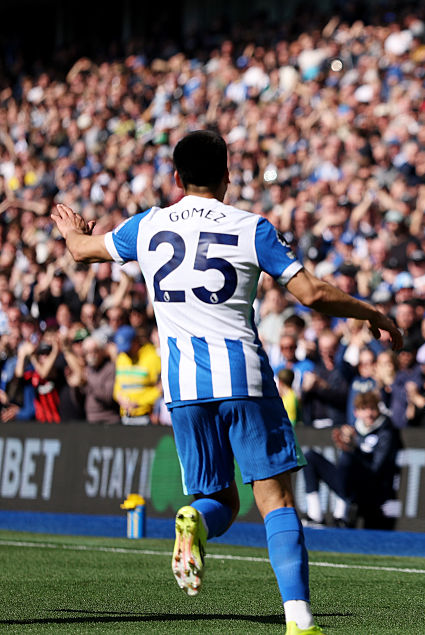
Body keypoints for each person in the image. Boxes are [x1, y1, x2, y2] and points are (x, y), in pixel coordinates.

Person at [51, 129, 402, 635]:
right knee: (274, 499)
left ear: (176, 177)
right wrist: (371, 312)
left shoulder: (146, 227)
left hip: (183, 388)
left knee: (220, 501)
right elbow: (311, 293)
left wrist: (72, 230)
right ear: (228, 178)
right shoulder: (250, 226)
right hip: (243, 377)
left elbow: (83, 251)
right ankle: (299, 620)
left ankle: (193, 521)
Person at [302, 389, 403, 529]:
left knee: (348, 457)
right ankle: (315, 515)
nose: (369, 414)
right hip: (348, 485)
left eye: (372, 408)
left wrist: (353, 449)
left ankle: (341, 515)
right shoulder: (354, 430)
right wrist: (347, 446)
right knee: (310, 457)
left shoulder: (386, 433)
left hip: (371, 488)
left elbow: (376, 468)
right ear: (356, 412)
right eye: (364, 409)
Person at [111, 325, 162, 425]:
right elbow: (118, 385)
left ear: (135, 342)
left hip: (146, 416)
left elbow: (161, 387)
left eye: (128, 348)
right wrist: (120, 398)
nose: (126, 352)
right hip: (125, 416)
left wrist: (140, 402)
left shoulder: (152, 357)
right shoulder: (122, 357)